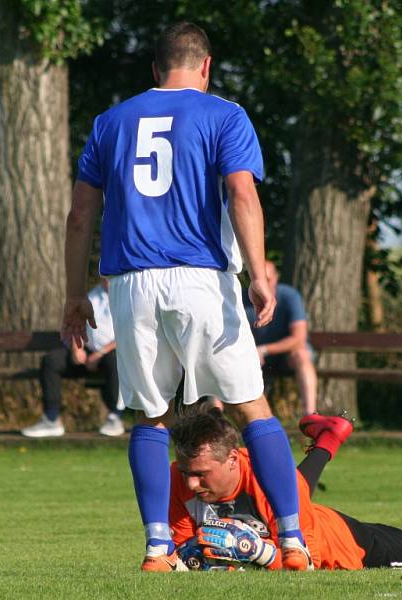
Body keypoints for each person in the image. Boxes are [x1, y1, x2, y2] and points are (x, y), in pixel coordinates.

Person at [61, 22, 311, 571]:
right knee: (252, 407)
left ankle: (157, 548)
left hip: (130, 283)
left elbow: (81, 214)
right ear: (206, 66)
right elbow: (243, 193)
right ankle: (291, 544)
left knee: (150, 418)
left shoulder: (109, 122)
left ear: (155, 70)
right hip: (200, 277)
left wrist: (74, 295)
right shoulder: (225, 115)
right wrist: (260, 277)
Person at [168, 405, 402, 571]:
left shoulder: (267, 478)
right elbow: (183, 550)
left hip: (336, 542)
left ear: (233, 458)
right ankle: (330, 436)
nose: (190, 482)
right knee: (286, 491)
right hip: (288, 508)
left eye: (201, 473)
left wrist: (260, 554)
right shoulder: (177, 478)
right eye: (185, 471)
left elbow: (304, 562)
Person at [22, 279, 124, 438]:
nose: (107, 279)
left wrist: (100, 354)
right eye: (104, 275)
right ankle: (51, 418)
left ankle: (115, 416)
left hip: (112, 352)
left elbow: (129, 333)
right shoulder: (91, 296)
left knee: (116, 361)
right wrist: (77, 349)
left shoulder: (128, 296)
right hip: (87, 351)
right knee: (51, 361)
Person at [243, 261, 318, 415]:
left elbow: (299, 338)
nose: (262, 284)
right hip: (253, 357)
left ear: (276, 279)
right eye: (258, 279)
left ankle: (310, 416)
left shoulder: (290, 296)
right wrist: (250, 352)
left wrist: (263, 350)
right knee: (218, 358)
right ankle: (215, 416)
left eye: (268, 279)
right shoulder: (240, 298)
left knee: (302, 354)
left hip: (284, 356)